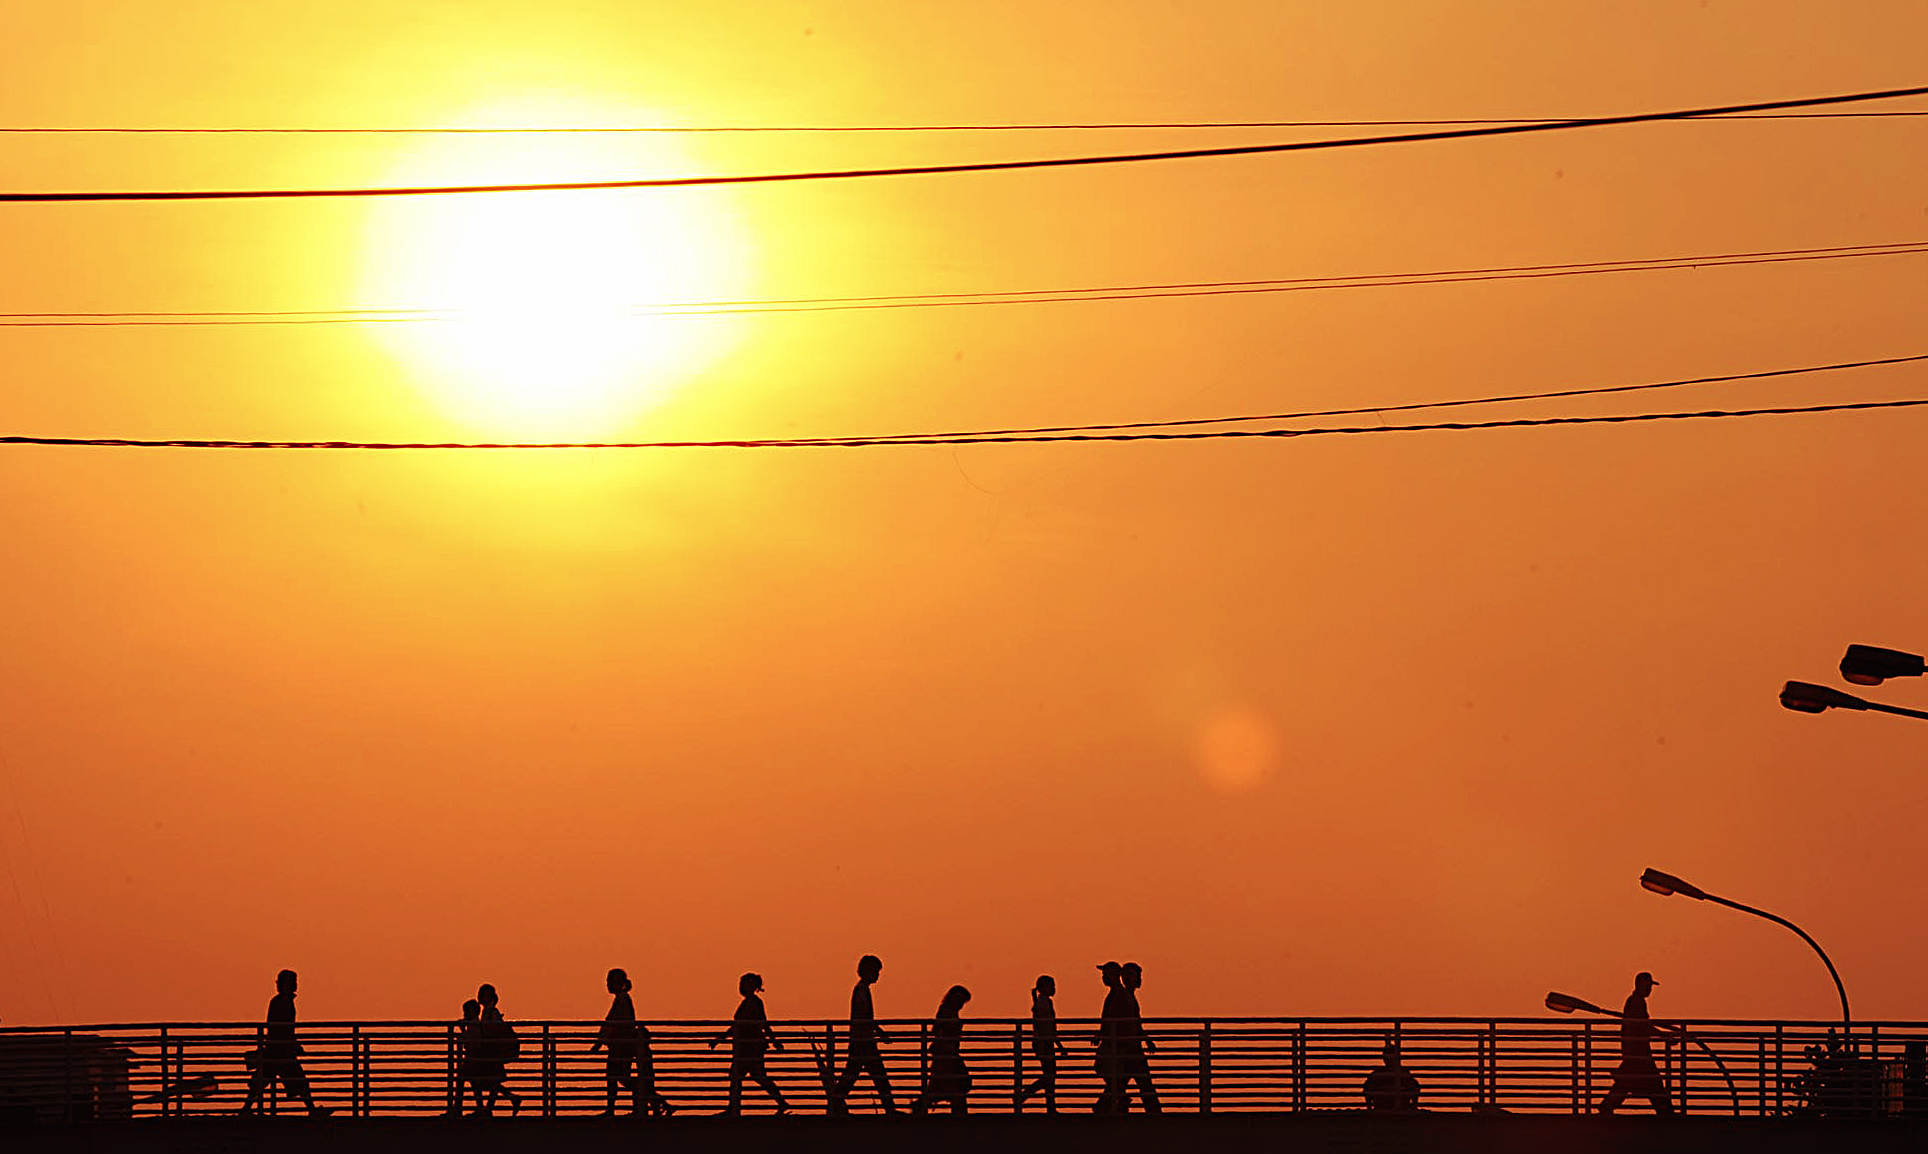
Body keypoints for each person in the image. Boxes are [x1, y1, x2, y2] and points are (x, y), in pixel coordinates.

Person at [240, 969, 331, 1117]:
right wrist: (292, 1043)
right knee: (298, 1081)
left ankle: (245, 1109)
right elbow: (282, 1028)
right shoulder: (282, 1002)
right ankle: (312, 1110)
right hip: (280, 1050)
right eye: (293, 982)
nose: (296, 985)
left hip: (276, 1049)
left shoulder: (281, 1001)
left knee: (262, 1081)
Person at [711, 972, 789, 1115]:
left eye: (743, 984)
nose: (740, 987)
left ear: (751, 986)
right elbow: (738, 1025)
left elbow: (762, 1023)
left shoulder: (754, 1003)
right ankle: (780, 1102)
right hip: (746, 1046)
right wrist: (721, 1038)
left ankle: (734, 1108)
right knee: (756, 1076)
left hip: (750, 1047)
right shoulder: (748, 1003)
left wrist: (774, 1040)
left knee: (739, 1075)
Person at [1598, 971, 1675, 1115]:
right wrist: (1664, 1036)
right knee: (1652, 1083)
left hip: (1635, 1051)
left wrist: (1662, 1035)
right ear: (1641, 985)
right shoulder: (1636, 1002)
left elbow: (1643, 1025)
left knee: (1628, 1083)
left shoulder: (1635, 1001)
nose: (1650, 990)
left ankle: (1606, 1108)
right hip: (1638, 1052)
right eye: (1648, 986)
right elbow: (1644, 1026)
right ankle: (1667, 1113)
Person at [829, 955, 895, 1115]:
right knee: (877, 1078)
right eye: (876, 971)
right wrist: (879, 1033)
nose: (878, 975)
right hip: (863, 1042)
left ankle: (834, 1105)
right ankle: (890, 1110)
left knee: (852, 1076)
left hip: (861, 1041)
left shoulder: (861, 989)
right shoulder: (861, 990)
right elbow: (863, 1016)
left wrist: (878, 1032)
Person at [910, 985, 972, 1115]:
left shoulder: (948, 1011)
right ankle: (960, 1116)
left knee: (941, 1088)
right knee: (955, 1088)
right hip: (945, 1055)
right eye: (960, 1001)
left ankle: (920, 1106)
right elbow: (939, 1031)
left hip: (948, 1055)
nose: (961, 1005)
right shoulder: (946, 1012)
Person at [590, 968, 643, 1117]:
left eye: (609, 981)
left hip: (621, 1046)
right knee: (615, 1077)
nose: (607, 984)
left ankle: (637, 1101)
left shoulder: (622, 999)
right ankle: (632, 1104)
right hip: (619, 1045)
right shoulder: (622, 999)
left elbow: (613, 1023)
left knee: (618, 1077)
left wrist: (600, 1042)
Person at [1016, 975, 1067, 1113]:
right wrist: (1059, 1045)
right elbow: (1047, 1027)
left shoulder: (1041, 1001)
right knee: (1050, 1075)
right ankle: (1026, 1095)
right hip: (1044, 1042)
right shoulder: (1044, 1002)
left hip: (1043, 1041)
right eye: (1052, 986)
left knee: (1049, 1074)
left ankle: (1049, 1105)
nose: (1054, 989)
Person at [1116, 962, 1161, 1113]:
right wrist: (1146, 1040)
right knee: (1143, 1081)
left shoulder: (1128, 997)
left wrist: (1146, 1040)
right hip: (1131, 1049)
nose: (1140, 979)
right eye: (1138, 976)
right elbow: (1132, 1024)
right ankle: (1155, 1112)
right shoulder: (1126, 997)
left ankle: (1104, 1105)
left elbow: (1135, 1023)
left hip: (1131, 1048)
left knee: (1123, 1083)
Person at [472, 983, 522, 1117]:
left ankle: (486, 1109)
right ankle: (506, 1100)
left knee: (487, 1081)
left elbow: (495, 1029)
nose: (482, 997)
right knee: (490, 1081)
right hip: (490, 1050)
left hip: (491, 1051)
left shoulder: (491, 1012)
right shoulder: (488, 1012)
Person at [1091, 962, 1128, 1114]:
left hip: (1114, 1042)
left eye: (1105, 974)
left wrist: (1104, 1033)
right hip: (1111, 1040)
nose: (1103, 977)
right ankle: (1117, 1099)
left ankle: (1111, 1101)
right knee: (1113, 1074)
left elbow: (1112, 1017)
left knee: (1107, 1070)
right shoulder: (1116, 993)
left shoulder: (1118, 993)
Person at [1362, 1036, 1421, 1111]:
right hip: (1399, 1108)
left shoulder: (1378, 1073)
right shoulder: (1403, 1072)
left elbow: (1367, 1087)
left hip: (1381, 1108)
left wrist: (1369, 1108)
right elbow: (1415, 1087)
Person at [450, 999, 484, 1117]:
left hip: (473, 1057)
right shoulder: (475, 1024)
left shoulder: (474, 1026)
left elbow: (470, 1043)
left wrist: (462, 1031)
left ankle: (458, 1108)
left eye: (465, 1012)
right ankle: (479, 1108)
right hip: (474, 1058)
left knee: (462, 1080)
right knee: (475, 1084)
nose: (464, 1014)